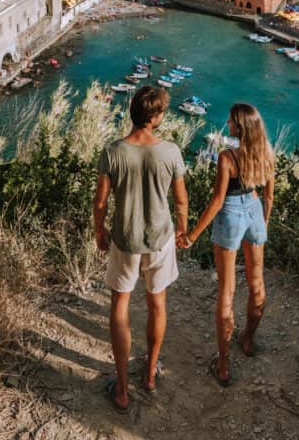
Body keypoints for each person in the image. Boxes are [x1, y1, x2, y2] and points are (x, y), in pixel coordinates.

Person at [93, 85, 188, 414]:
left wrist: (99, 232)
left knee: (120, 305)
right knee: (156, 304)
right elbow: (180, 200)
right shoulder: (171, 152)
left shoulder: (113, 151)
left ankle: (121, 388)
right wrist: (183, 229)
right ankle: (149, 375)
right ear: (157, 117)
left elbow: (101, 202)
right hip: (159, 239)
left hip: (125, 239)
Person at [181, 103, 275, 387]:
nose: (227, 123)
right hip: (256, 211)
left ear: (240, 126)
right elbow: (269, 196)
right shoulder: (267, 152)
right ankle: (247, 340)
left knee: (227, 289)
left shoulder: (227, 157)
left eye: (232, 121)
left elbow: (218, 201)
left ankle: (222, 366)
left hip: (231, 215)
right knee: (257, 283)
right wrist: (263, 225)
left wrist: (192, 235)